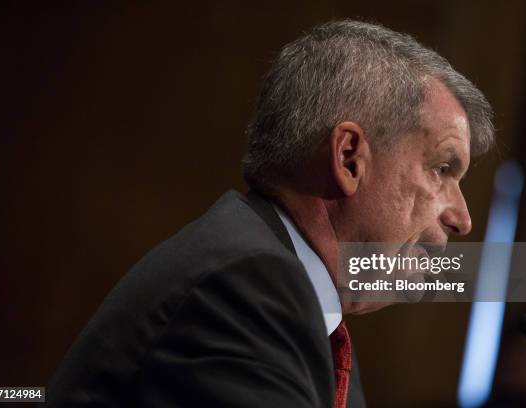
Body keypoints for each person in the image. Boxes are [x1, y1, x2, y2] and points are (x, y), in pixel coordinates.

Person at [47, 19, 493, 407]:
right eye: (441, 168)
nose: (461, 217)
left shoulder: (313, 328)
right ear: (350, 158)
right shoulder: (243, 289)